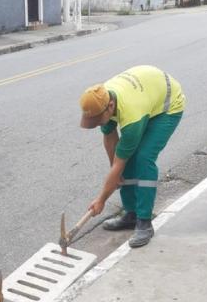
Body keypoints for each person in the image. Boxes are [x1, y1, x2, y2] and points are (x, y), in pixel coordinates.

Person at [80, 65, 186, 247]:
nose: (97, 124)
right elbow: (109, 137)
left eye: (98, 120)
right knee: (122, 163)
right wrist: (115, 172)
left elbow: (119, 162)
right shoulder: (102, 99)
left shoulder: (131, 116)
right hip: (147, 97)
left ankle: (144, 222)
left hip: (167, 106)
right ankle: (131, 214)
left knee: (143, 158)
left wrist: (101, 200)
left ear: (110, 107)